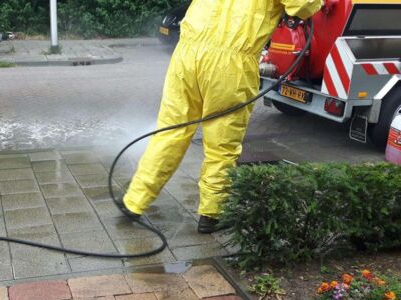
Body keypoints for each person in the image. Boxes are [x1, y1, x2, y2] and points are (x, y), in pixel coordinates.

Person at [119, 0, 322, 233]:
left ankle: (135, 200)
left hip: (187, 54)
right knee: (221, 145)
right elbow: (304, 5)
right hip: (230, 64)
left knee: (170, 131)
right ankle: (211, 214)